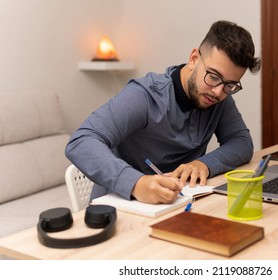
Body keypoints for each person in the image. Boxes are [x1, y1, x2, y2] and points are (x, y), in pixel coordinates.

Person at [65, 20, 261, 204]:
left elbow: (241, 142)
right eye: (213, 76)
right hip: (122, 204)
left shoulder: (217, 96)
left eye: (231, 85)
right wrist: (135, 182)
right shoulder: (144, 96)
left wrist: (205, 164)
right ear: (194, 59)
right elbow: (81, 141)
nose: (219, 91)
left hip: (177, 204)